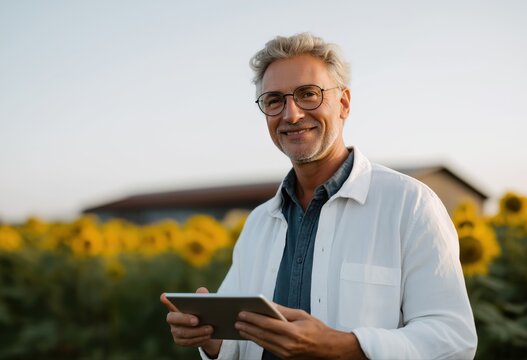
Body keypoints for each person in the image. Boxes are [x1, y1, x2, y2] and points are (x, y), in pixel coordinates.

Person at [161, 33, 477, 359]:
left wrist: (339, 345)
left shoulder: (410, 205)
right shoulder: (258, 223)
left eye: (308, 94)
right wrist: (211, 340)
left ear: (344, 103)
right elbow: (237, 345)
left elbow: (454, 340)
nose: (292, 114)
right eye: (274, 100)